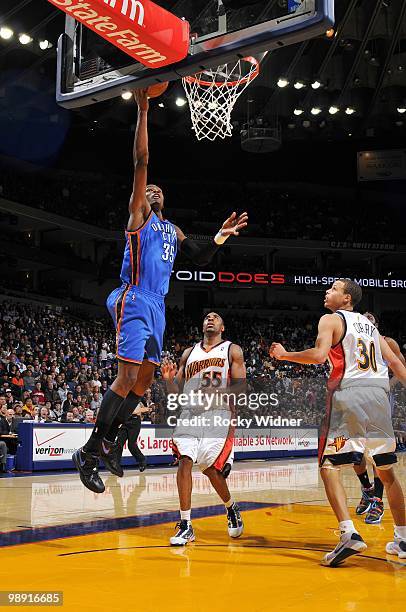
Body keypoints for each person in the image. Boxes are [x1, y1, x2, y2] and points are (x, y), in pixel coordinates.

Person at [72, 89, 248, 494]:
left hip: (158, 307)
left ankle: (110, 443)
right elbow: (141, 161)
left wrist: (220, 237)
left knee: (142, 383)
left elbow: (200, 257)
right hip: (133, 296)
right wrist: (144, 109)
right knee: (126, 376)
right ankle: (90, 450)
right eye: (147, 189)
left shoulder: (173, 230)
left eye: (157, 190)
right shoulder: (139, 218)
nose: (152, 190)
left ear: (165, 199)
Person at [270, 279, 406, 566]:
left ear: (346, 299)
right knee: (387, 471)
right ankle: (403, 537)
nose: (326, 292)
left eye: (333, 288)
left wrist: (284, 355)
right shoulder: (372, 328)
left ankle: (348, 534)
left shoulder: (331, 319)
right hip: (379, 398)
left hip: (351, 393)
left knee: (329, 465)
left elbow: (319, 356)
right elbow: (395, 363)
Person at [161, 312, 245, 546]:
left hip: (218, 414)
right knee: (185, 459)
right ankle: (186, 524)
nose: (210, 319)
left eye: (216, 317)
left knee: (209, 469)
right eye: (207, 317)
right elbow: (174, 394)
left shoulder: (232, 350)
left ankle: (231, 506)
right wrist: (168, 380)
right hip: (189, 413)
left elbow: (241, 388)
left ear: (222, 326)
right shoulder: (189, 354)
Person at [352, 312, 406, 525]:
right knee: (354, 451)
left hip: (379, 397)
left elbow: (399, 365)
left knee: (378, 452)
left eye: (370, 318)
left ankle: (378, 501)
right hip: (354, 399)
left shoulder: (386, 342)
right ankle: (367, 489)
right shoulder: (351, 340)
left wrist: (390, 385)